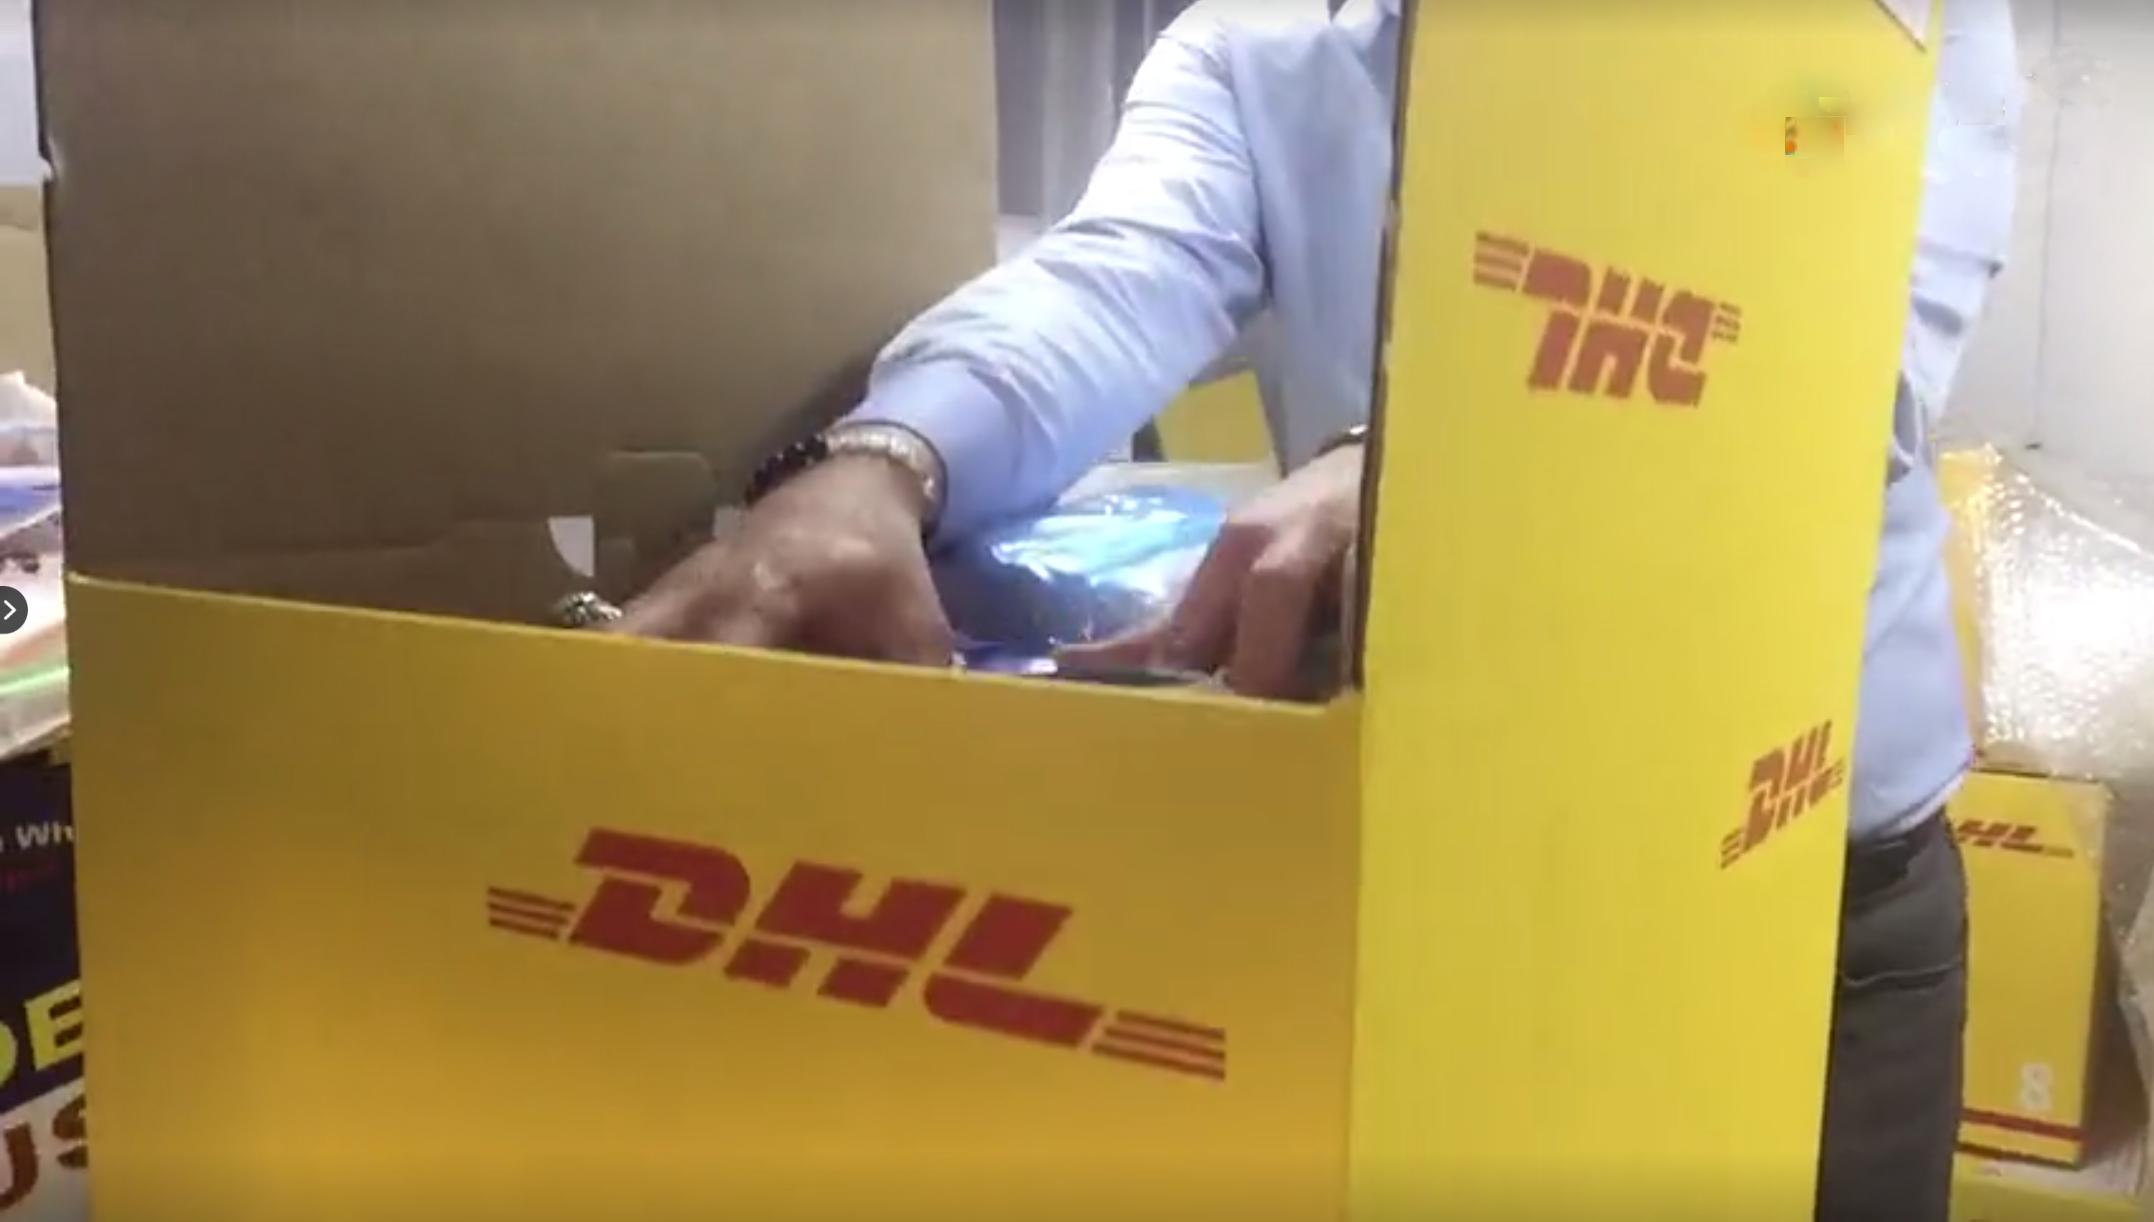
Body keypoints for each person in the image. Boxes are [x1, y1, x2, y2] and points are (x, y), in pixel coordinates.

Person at [620, 0, 2021, 1216]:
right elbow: (1116, 277)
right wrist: (880, 462)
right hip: (1441, 902)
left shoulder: (1863, 34)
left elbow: (1846, 361)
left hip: (1810, 898)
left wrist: (1447, 458)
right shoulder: (1265, 43)